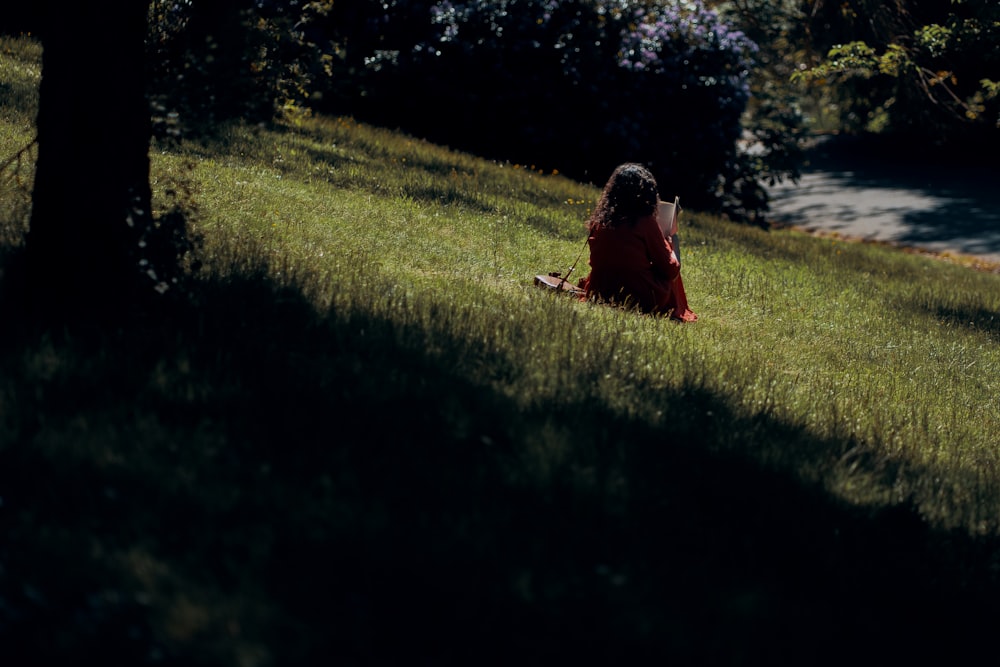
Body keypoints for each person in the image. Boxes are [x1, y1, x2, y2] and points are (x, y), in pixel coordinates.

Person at [577, 163, 697, 321]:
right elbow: (670, 268)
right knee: (671, 246)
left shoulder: (601, 220)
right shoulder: (645, 222)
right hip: (642, 299)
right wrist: (669, 241)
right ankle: (677, 308)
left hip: (600, 291)